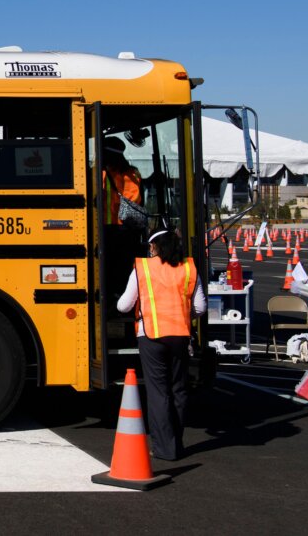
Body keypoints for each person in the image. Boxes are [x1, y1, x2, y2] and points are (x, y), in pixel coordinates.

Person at [117, 228, 206, 460]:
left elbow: (124, 305)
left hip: (151, 337)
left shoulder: (144, 268)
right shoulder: (189, 268)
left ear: (154, 247)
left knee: (159, 393)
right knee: (179, 390)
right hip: (180, 336)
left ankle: (164, 448)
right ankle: (176, 442)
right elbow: (200, 308)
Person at [102, 137, 144, 301]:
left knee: (108, 269)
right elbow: (137, 200)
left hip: (106, 229)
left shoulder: (99, 173)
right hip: (127, 229)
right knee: (124, 269)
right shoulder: (133, 174)